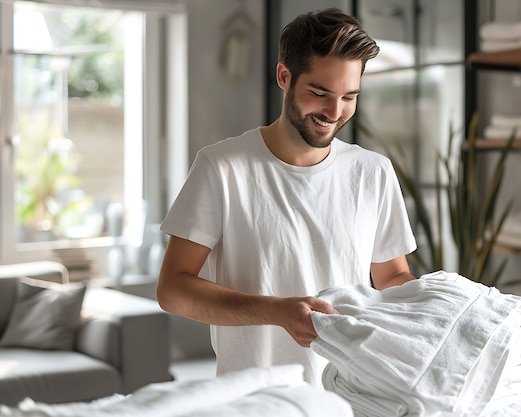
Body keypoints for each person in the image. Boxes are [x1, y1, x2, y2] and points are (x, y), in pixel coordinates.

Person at [157, 7, 417, 387]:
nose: (334, 111)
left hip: (351, 395)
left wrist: (457, 308)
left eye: (349, 96)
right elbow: (173, 289)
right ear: (284, 76)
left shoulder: (372, 172)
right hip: (255, 397)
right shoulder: (221, 167)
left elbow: (392, 276)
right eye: (319, 93)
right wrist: (277, 311)